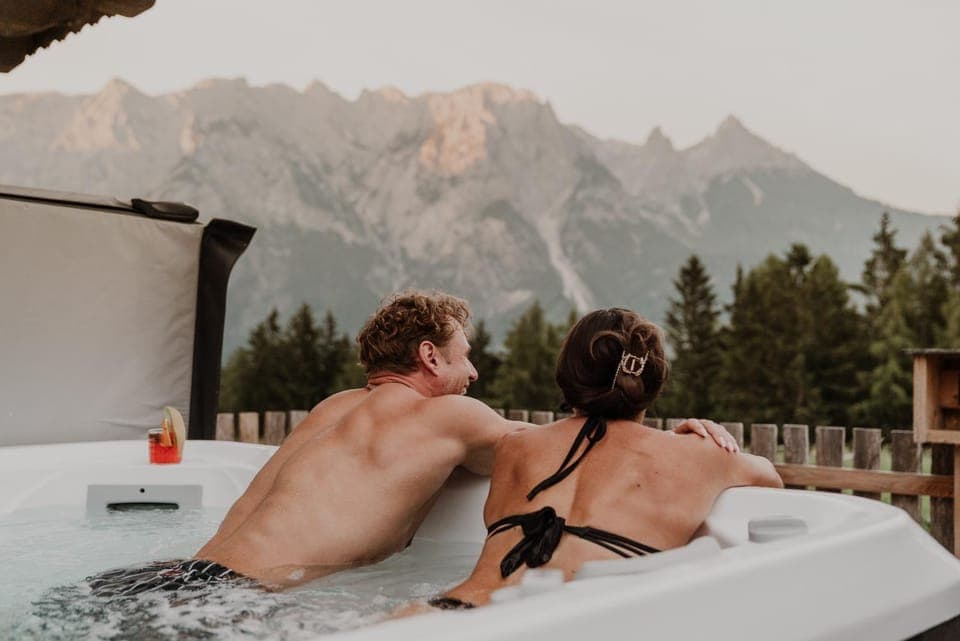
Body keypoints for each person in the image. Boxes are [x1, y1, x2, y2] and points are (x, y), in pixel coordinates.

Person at [87, 293, 737, 597]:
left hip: (167, 576)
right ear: (429, 356)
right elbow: (569, 448)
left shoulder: (329, 410)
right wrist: (681, 440)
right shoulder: (447, 416)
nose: (474, 373)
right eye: (465, 356)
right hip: (225, 608)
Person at [422, 307, 783, 610]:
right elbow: (771, 479)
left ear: (568, 377)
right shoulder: (699, 456)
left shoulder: (514, 447)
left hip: (444, 614)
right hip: (572, 624)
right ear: (651, 383)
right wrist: (695, 440)